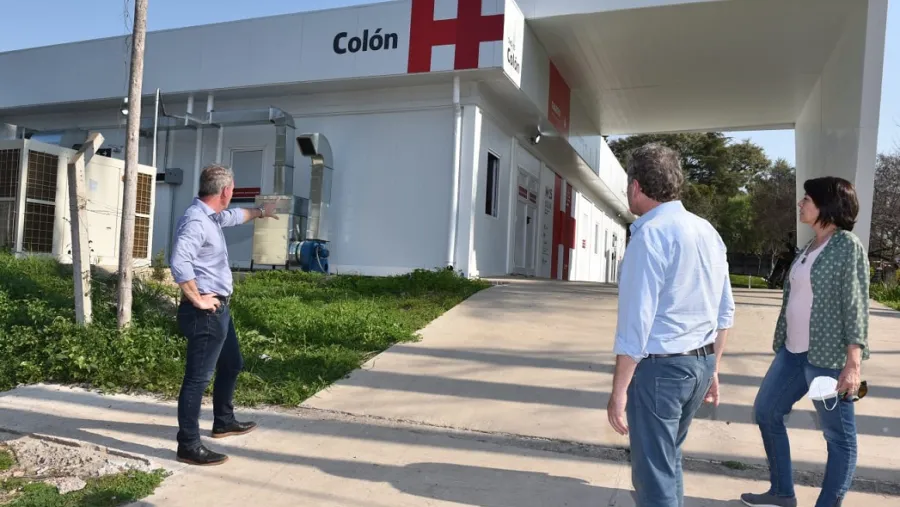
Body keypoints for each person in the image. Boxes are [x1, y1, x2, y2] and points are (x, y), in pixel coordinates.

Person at [608, 143, 735, 507]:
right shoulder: (707, 231)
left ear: (636, 186)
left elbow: (635, 325)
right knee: (669, 460)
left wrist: (619, 392)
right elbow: (725, 310)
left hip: (661, 371)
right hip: (699, 364)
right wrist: (713, 367)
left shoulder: (650, 236)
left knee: (653, 476)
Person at [741, 176, 869, 507]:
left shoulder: (847, 246)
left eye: (807, 199)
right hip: (793, 353)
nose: (800, 203)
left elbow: (855, 305)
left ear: (827, 205)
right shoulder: (810, 246)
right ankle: (782, 492)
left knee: (839, 436)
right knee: (767, 412)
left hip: (827, 358)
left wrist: (853, 364)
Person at [169, 164, 278, 466]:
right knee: (197, 379)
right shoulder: (196, 221)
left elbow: (235, 216)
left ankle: (223, 421)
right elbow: (179, 262)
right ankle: (188, 445)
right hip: (205, 313)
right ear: (227, 191)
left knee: (232, 363)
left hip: (219, 310)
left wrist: (261, 212)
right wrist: (197, 299)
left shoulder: (211, 216)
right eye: (232, 189)